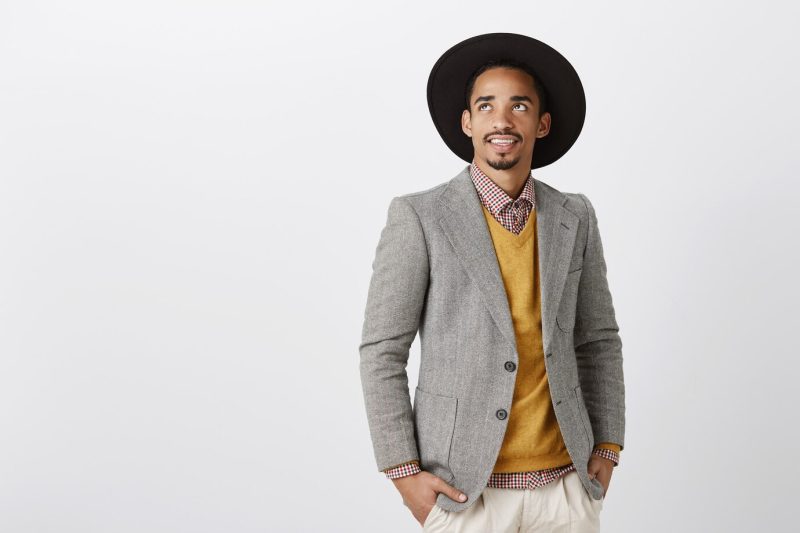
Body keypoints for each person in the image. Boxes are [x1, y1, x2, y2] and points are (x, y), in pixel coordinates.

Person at [359, 32, 625, 532]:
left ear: (541, 123)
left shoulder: (575, 216)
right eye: (486, 106)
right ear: (467, 122)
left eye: (518, 106)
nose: (502, 120)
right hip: (463, 493)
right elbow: (381, 352)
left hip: (566, 489)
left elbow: (598, 340)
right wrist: (404, 477)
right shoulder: (420, 217)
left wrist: (607, 448)